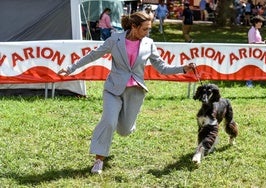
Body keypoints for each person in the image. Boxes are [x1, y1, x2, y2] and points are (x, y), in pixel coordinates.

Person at [58, 11, 195, 174]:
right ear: (133, 26)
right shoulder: (115, 39)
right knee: (108, 122)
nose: (147, 33)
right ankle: (98, 161)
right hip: (113, 89)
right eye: (145, 29)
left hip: (135, 91)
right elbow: (93, 55)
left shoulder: (149, 43)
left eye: (149, 29)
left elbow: (162, 68)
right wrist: (70, 68)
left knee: (124, 130)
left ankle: (125, 122)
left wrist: (183, 68)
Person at [247, 15, 266, 87]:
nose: (261, 24)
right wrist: (261, 43)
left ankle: (259, 79)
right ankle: (249, 82)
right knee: (251, 67)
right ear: (255, 22)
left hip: (258, 52)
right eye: (260, 22)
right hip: (253, 52)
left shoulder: (256, 30)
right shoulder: (252, 31)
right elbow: (252, 42)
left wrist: (261, 42)